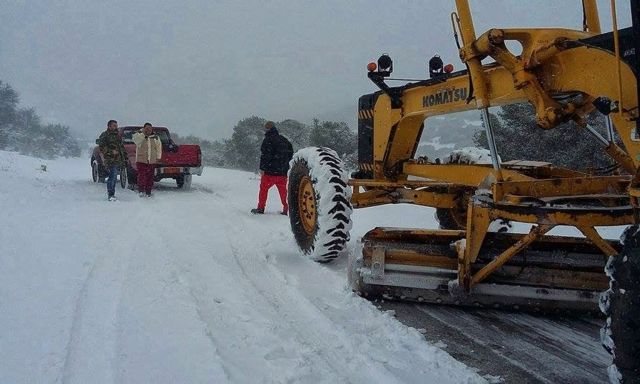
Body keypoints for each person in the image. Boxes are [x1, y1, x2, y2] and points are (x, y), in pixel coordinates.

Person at [251, 121, 293, 215]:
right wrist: (285, 164)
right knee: (284, 192)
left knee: (263, 190)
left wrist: (262, 168)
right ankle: (287, 209)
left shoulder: (267, 140)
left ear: (267, 129)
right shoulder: (283, 140)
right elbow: (290, 152)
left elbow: (265, 155)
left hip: (269, 172)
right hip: (282, 172)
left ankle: (261, 208)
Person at [97, 119, 126, 201]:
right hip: (110, 160)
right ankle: (111, 194)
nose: (116, 127)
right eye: (114, 126)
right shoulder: (105, 135)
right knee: (112, 177)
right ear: (109, 126)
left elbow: (121, 147)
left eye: (116, 126)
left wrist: (124, 157)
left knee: (114, 176)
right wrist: (110, 151)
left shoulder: (118, 135)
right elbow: (101, 147)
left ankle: (112, 194)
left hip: (118, 160)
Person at [132, 122, 162, 197]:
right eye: (147, 128)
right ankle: (141, 190)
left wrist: (158, 157)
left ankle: (148, 191)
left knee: (150, 177)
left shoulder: (155, 137)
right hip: (141, 160)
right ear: (144, 128)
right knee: (141, 176)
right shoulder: (138, 135)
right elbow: (137, 142)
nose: (148, 130)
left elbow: (158, 148)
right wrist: (143, 134)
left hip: (151, 161)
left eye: (150, 128)